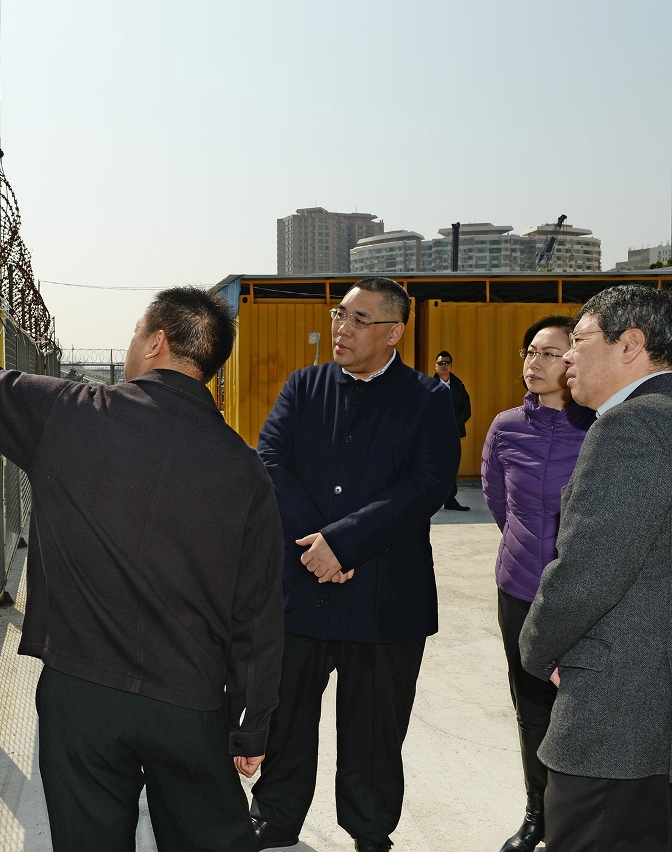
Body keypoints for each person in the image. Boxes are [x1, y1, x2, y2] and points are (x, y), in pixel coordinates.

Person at [0, 288, 285, 851]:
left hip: (82, 691)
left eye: (137, 334)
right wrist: (251, 722)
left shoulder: (71, 414)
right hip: (191, 701)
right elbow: (258, 612)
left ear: (157, 342)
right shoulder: (245, 470)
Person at [518, 284, 672, 852]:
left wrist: (537, 647)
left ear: (631, 345)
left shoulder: (629, 429)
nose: (566, 356)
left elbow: (586, 572)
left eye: (580, 340)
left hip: (620, 721)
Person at [249, 277, 461, 852]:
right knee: (288, 716)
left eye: (360, 319)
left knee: (373, 728)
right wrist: (316, 546)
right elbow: (270, 462)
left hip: (385, 595)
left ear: (394, 332)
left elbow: (426, 486)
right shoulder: (305, 386)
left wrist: (343, 544)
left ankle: (370, 831)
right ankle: (276, 815)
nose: (343, 327)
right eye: (340, 314)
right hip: (302, 589)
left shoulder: (427, 399)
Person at [481, 316, 595, 852]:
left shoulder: (601, 428)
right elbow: (499, 503)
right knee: (532, 706)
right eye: (530, 352)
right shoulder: (505, 427)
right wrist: (528, 551)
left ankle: (581, 817)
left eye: (550, 353)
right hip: (521, 587)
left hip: (589, 592)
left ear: (574, 361)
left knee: (586, 705)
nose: (535, 363)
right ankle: (537, 815)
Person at [434, 350, 472, 510]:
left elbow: (466, 409)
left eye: (446, 363)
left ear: (451, 365)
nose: (444, 366)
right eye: (440, 363)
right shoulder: (427, 385)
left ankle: (450, 500)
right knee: (432, 466)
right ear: (435, 366)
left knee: (451, 466)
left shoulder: (458, 385)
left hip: (453, 433)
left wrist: (452, 425)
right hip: (433, 434)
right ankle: (431, 501)